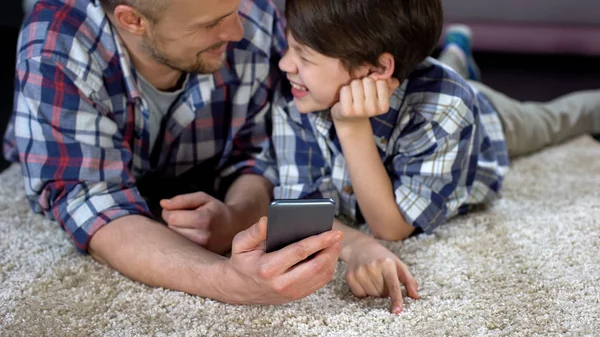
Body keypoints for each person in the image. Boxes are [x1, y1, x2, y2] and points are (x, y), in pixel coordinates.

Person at [3, 0, 343, 305]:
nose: (238, 31)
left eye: (234, 10)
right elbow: (93, 204)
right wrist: (227, 280)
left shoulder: (254, 15)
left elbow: (258, 151)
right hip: (86, 163)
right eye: (210, 24)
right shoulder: (54, 48)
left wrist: (235, 217)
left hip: (206, 176)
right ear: (132, 20)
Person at [272, 0, 600, 313]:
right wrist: (355, 245)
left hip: (487, 121)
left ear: (375, 69)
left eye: (303, 55)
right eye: (289, 47)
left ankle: (460, 58)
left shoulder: (446, 105)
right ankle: (457, 51)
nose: (285, 64)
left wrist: (352, 128)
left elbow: (391, 227)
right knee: (441, 71)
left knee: (553, 121)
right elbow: (299, 208)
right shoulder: (297, 95)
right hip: (416, 84)